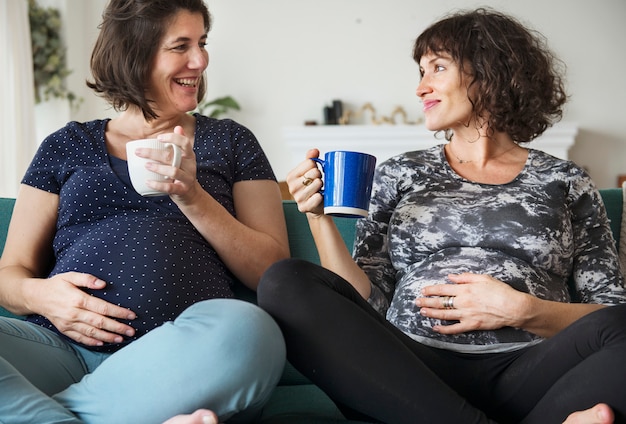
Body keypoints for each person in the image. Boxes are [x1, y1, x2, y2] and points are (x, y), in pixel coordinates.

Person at [257, 8, 626, 424]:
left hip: (531, 371)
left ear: (489, 72)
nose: (420, 88)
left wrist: (522, 310)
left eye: (436, 68)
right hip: (408, 373)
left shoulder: (566, 180)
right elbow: (366, 301)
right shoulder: (401, 173)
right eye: (419, 72)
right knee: (285, 282)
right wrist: (317, 217)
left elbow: (608, 311)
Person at [0, 0, 289, 423]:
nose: (201, 59)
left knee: (251, 332)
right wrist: (40, 294)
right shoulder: (66, 144)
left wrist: (191, 194)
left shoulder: (230, 140)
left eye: (203, 43)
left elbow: (271, 272)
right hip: (60, 349)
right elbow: (11, 272)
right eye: (181, 46)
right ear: (135, 54)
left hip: (181, 362)